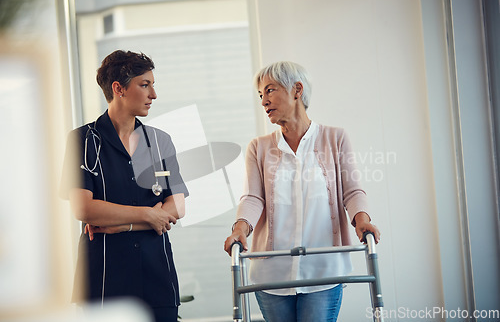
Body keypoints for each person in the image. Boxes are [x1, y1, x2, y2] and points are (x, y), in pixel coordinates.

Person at [224, 61, 381, 322]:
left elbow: (352, 191)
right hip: (272, 272)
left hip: (324, 270)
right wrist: (240, 229)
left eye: (270, 91)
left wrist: (362, 221)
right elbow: (253, 197)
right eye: (261, 95)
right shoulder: (258, 147)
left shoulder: (335, 138)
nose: (264, 101)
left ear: (297, 90)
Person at [60, 50, 189, 322]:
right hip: (107, 281)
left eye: (152, 85)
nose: (154, 94)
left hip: (158, 277)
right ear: (118, 88)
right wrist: (147, 214)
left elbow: (177, 206)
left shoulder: (160, 141)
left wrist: (123, 225)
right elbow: (84, 208)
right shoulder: (83, 140)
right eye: (145, 85)